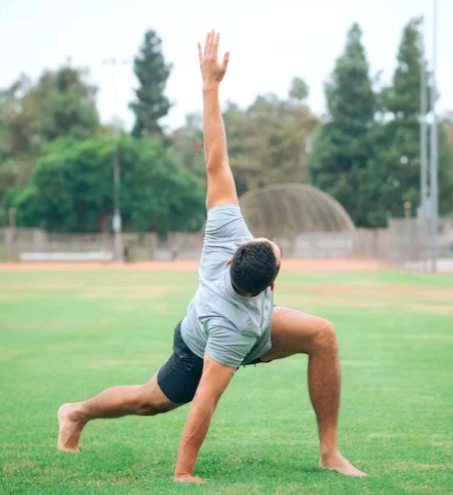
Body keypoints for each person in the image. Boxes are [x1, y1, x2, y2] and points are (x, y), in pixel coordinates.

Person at [57, 30, 366, 483]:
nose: (266, 240)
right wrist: (184, 473)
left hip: (254, 327)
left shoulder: (227, 234)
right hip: (200, 345)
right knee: (147, 401)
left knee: (322, 333)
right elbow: (206, 397)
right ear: (266, 281)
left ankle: (330, 453)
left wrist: (210, 86)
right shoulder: (230, 327)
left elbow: (216, 161)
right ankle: (77, 412)